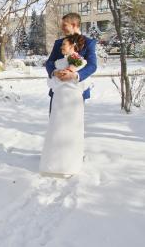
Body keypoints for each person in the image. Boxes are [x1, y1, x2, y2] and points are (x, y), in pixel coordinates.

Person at [41, 13, 97, 178]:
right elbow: (50, 62)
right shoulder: (59, 43)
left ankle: (73, 157)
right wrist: (55, 71)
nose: (62, 27)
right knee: (56, 123)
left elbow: (92, 65)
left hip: (76, 91)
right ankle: (54, 157)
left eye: (65, 24)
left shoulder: (89, 43)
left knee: (73, 126)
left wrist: (75, 75)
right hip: (58, 91)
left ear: (74, 24)